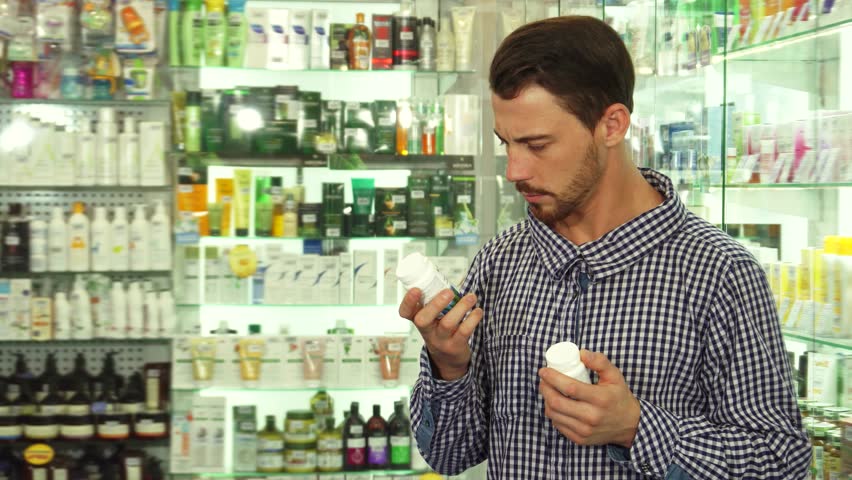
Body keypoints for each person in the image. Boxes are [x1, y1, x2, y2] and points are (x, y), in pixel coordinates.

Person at [399, 15, 811, 479]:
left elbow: (782, 463)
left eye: (536, 145)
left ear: (612, 125)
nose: (513, 170)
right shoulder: (500, 263)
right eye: (506, 144)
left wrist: (637, 428)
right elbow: (449, 456)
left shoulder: (719, 272)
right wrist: (450, 366)